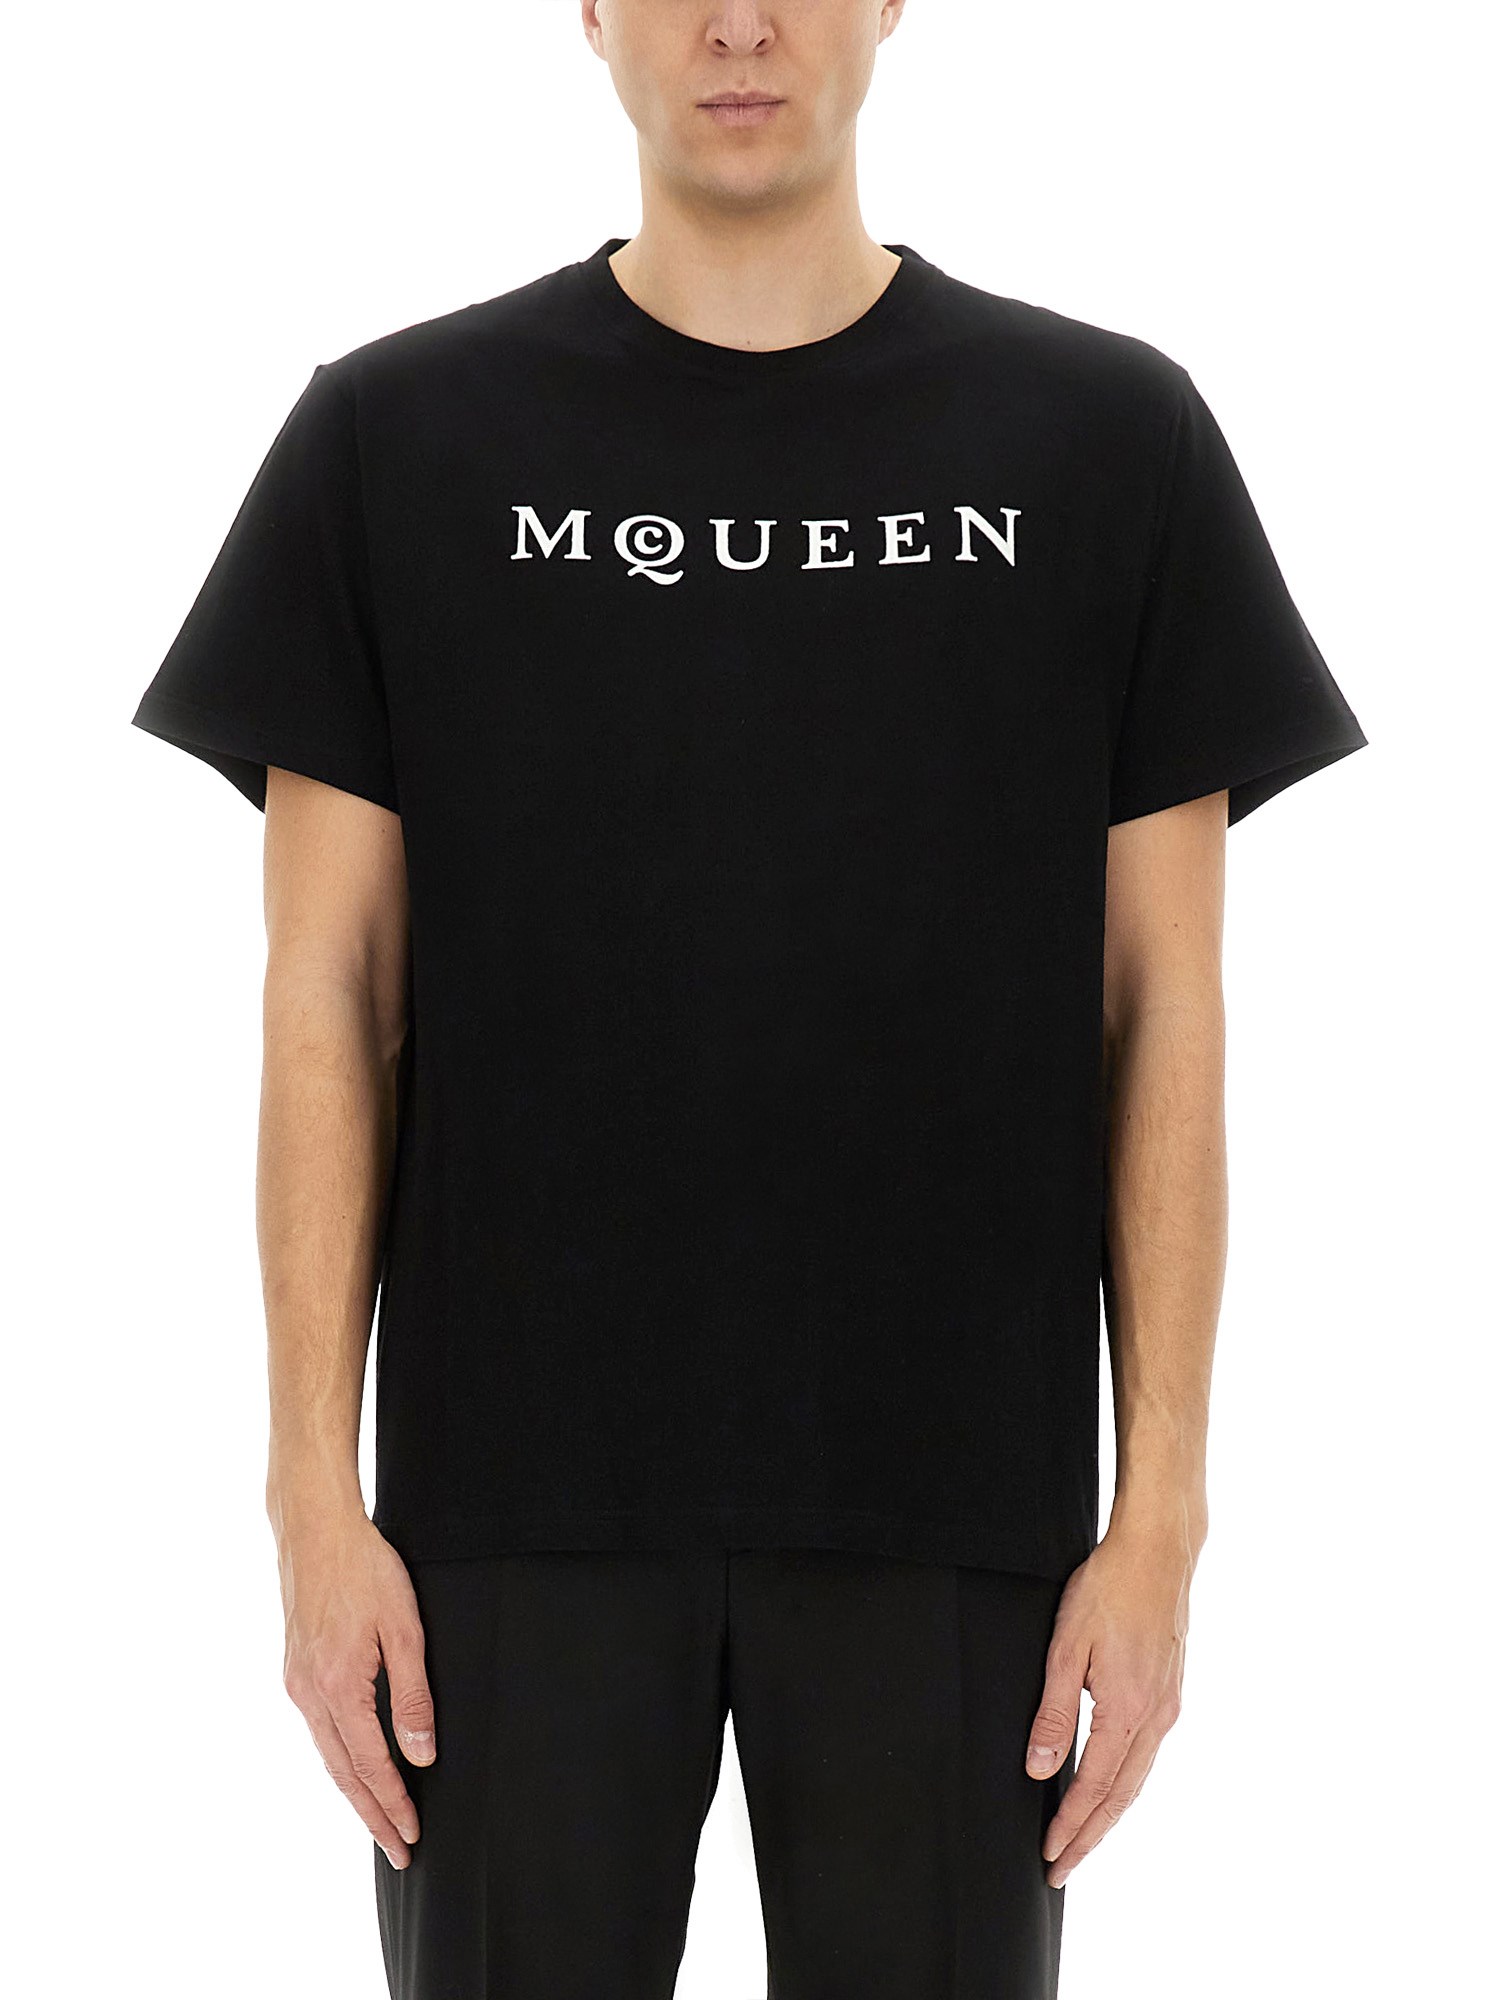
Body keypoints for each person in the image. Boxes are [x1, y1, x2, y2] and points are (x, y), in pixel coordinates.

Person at [128, 3, 1369, 1995]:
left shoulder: (1104, 438)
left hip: (957, 1506)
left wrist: (1163, 1520)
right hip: (501, 1518)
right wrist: (307, 1499)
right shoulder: (396, 438)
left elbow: (1168, 1010)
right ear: (587, 12)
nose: (738, 21)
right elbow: (325, 996)